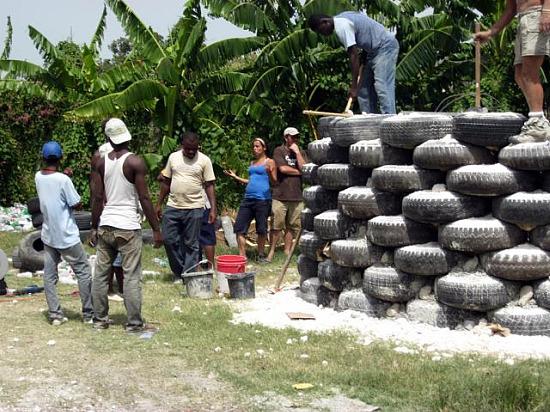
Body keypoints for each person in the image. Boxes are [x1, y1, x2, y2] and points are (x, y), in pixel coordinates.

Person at [89, 118, 162, 332]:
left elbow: (97, 197)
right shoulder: (135, 162)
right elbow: (144, 198)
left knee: (101, 275)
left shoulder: (101, 162)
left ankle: (99, 320)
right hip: (128, 227)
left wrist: (94, 226)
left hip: (106, 224)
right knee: (131, 276)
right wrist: (156, 229)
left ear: (108, 139)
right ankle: (134, 323)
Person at [474, 0, 550, 143]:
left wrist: (547, 12)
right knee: (520, 75)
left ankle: (538, 123)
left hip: (537, 15)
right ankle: (537, 119)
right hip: (523, 19)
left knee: (529, 73)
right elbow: (511, 9)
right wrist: (491, 32)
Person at [35, 141, 93, 325]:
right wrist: (66, 178)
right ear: (61, 158)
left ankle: (55, 314)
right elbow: (76, 203)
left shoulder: (38, 176)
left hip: (49, 233)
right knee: (83, 272)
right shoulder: (63, 180)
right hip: (66, 235)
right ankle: (88, 314)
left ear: (43, 158)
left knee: (49, 276)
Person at [308, 12, 399, 114]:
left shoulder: (342, 26)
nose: (323, 35)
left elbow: (353, 55)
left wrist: (354, 87)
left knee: (382, 84)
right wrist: (365, 54)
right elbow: (366, 30)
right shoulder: (343, 17)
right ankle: (369, 118)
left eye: (321, 31)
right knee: (363, 89)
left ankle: (390, 117)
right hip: (371, 52)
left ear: (325, 22)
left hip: (385, 47)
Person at [156, 131, 217, 281]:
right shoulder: (173, 158)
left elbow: (209, 185)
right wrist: (158, 204)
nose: (191, 152)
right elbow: (166, 182)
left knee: (192, 244)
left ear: (198, 147)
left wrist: (213, 209)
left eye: (194, 149)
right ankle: (179, 270)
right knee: (169, 240)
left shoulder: (204, 160)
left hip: (195, 207)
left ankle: (187, 275)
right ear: (182, 145)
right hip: (173, 206)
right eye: (188, 149)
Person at [223, 138, 277, 261]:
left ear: (264, 148)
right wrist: (236, 177)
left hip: (262, 199)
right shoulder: (252, 163)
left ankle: (261, 254)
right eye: (254, 146)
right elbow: (250, 181)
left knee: (261, 228)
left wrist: (269, 173)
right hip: (248, 199)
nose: (255, 149)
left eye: (258, 146)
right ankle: (242, 256)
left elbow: (274, 182)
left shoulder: (270, 162)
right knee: (239, 227)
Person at [266, 128, 307, 263]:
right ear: (286, 137)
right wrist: (300, 172)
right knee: (276, 226)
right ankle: (271, 252)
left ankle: (287, 251)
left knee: (292, 226)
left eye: (297, 137)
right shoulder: (279, 151)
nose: (295, 140)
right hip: (280, 195)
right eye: (292, 137)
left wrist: (297, 153)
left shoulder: (301, 152)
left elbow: (306, 168)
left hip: (297, 196)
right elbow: (283, 169)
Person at [92, 137, 124, 303]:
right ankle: (110, 290)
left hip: (116, 219)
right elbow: (98, 198)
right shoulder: (103, 174)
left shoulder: (114, 172)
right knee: (109, 259)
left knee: (117, 259)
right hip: (109, 220)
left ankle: (120, 288)